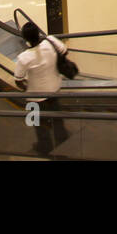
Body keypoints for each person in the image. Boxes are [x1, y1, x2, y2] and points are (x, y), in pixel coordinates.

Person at [13, 21, 70, 156]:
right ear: (38, 33)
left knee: (38, 123)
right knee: (57, 116)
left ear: (25, 39)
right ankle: (62, 137)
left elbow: (18, 80)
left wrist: (27, 87)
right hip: (54, 88)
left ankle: (44, 146)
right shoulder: (50, 41)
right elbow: (64, 51)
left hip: (35, 96)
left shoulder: (24, 57)